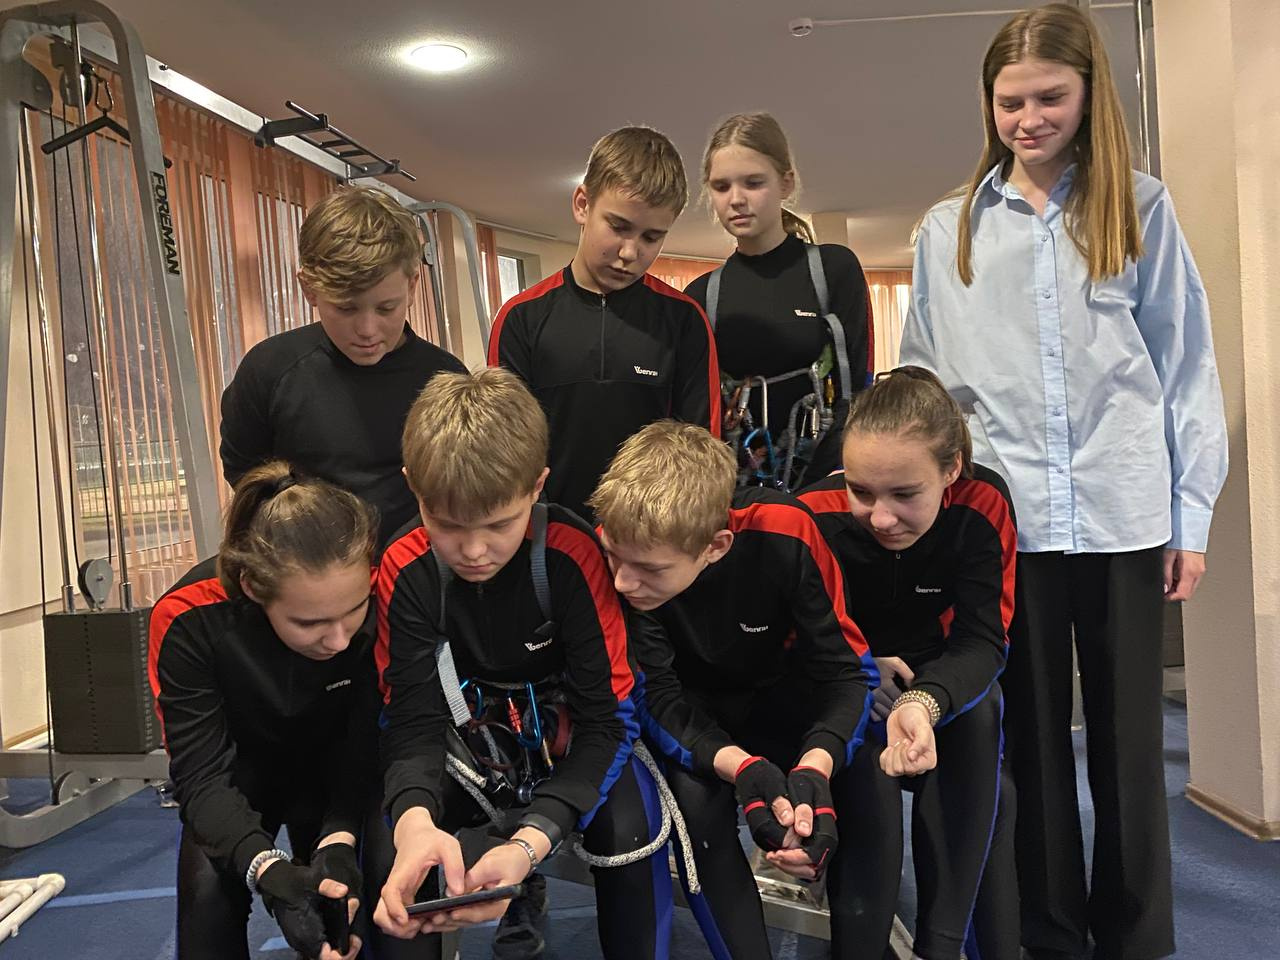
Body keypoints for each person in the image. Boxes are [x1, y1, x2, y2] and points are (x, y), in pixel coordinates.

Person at [899, 6, 1228, 958]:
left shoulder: (1141, 208)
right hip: (1009, 526)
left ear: (1089, 95)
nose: (1029, 118)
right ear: (987, 103)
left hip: (1124, 514)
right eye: (1011, 101)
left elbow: (1185, 367)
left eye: (1051, 97)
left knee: (1129, 747)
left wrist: (1192, 518)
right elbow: (924, 386)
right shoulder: (948, 230)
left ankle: (1136, 939)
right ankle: (1050, 935)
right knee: (1033, 743)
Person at [372, 368, 666, 960]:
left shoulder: (571, 556)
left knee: (630, 835)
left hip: (568, 734)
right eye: (447, 524)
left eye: (499, 525)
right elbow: (410, 723)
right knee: (390, 852)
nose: (474, 551)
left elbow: (607, 722)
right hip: (467, 737)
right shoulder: (405, 566)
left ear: (537, 488)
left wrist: (532, 840)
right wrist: (414, 823)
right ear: (413, 489)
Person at [587, 420, 878, 960]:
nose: (622, 581)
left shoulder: (785, 529)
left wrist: (815, 767)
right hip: (692, 712)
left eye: (649, 568)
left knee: (867, 777)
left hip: (781, 699)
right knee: (696, 806)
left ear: (716, 547)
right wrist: (742, 768)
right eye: (613, 555)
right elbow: (654, 694)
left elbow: (846, 673)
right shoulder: (616, 544)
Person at [798, 367, 1019, 960]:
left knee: (982, 721)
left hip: (935, 677)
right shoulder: (812, 513)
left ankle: (940, 947)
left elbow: (984, 641)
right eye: (862, 492)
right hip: (843, 677)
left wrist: (924, 701)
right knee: (869, 777)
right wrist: (858, 668)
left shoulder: (983, 502)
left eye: (904, 495)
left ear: (950, 471)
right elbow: (785, 640)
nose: (880, 518)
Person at [148, 461, 379, 960]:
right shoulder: (187, 618)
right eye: (309, 623)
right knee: (207, 900)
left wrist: (339, 836)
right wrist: (268, 870)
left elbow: (365, 737)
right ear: (253, 588)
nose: (340, 640)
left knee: (355, 907)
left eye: (353, 612)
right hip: (239, 774)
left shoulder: (381, 592)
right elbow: (200, 776)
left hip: (336, 766)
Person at [488, 125, 720, 522]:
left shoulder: (685, 319)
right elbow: (503, 453)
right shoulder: (521, 317)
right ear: (582, 205)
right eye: (619, 227)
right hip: (548, 535)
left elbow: (702, 451)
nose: (630, 252)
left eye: (651, 237)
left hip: (651, 536)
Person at [220, 185, 466, 548]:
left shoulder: (445, 379)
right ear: (309, 288)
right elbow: (248, 479)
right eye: (346, 308)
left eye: (386, 308)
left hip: (415, 567)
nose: (367, 330)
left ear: (413, 284)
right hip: (306, 567)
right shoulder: (269, 370)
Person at [685, 112, 871, 490]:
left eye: (753, 183)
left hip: (828, 481)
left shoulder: (833, 270)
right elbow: (701, 416)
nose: (736, 199)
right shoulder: (702, 295)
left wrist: (832, 481)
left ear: (786, 183)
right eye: (721, 187)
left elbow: (857, 388)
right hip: (738, 490)